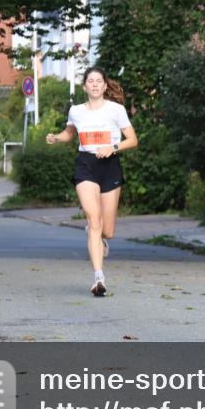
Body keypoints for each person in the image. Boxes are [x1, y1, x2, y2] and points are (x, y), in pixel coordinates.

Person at [46, 67, 138, 297]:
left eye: (99, 81)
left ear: (105, 86)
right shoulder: (76, 111)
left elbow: (133, 140)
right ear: (85, 86)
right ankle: (99, 278)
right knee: (94, 221)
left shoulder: (116, 110)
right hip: (86, 165)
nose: (95, 84)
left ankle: (96, 235)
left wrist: (113, 147)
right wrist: (56, 138)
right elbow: (69, 133)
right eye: (91, 81)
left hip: (110, 166)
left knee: (107, 230)